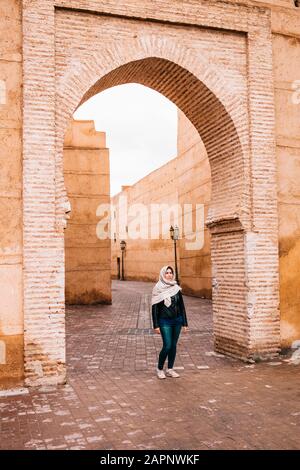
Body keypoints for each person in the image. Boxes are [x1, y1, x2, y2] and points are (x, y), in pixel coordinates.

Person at [151, 265, 188, 379]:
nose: (169, 275)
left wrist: (185, 323)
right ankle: (160, 369)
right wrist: (156, 325)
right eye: (167, 273)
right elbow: (155, 308)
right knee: (167, 345)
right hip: (164, 321)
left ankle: (170, 369)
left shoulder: (176, 288)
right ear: (163, 274)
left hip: (177, 320)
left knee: (173, 345)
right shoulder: (157, 288)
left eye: (171, 273)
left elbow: (182, 306)